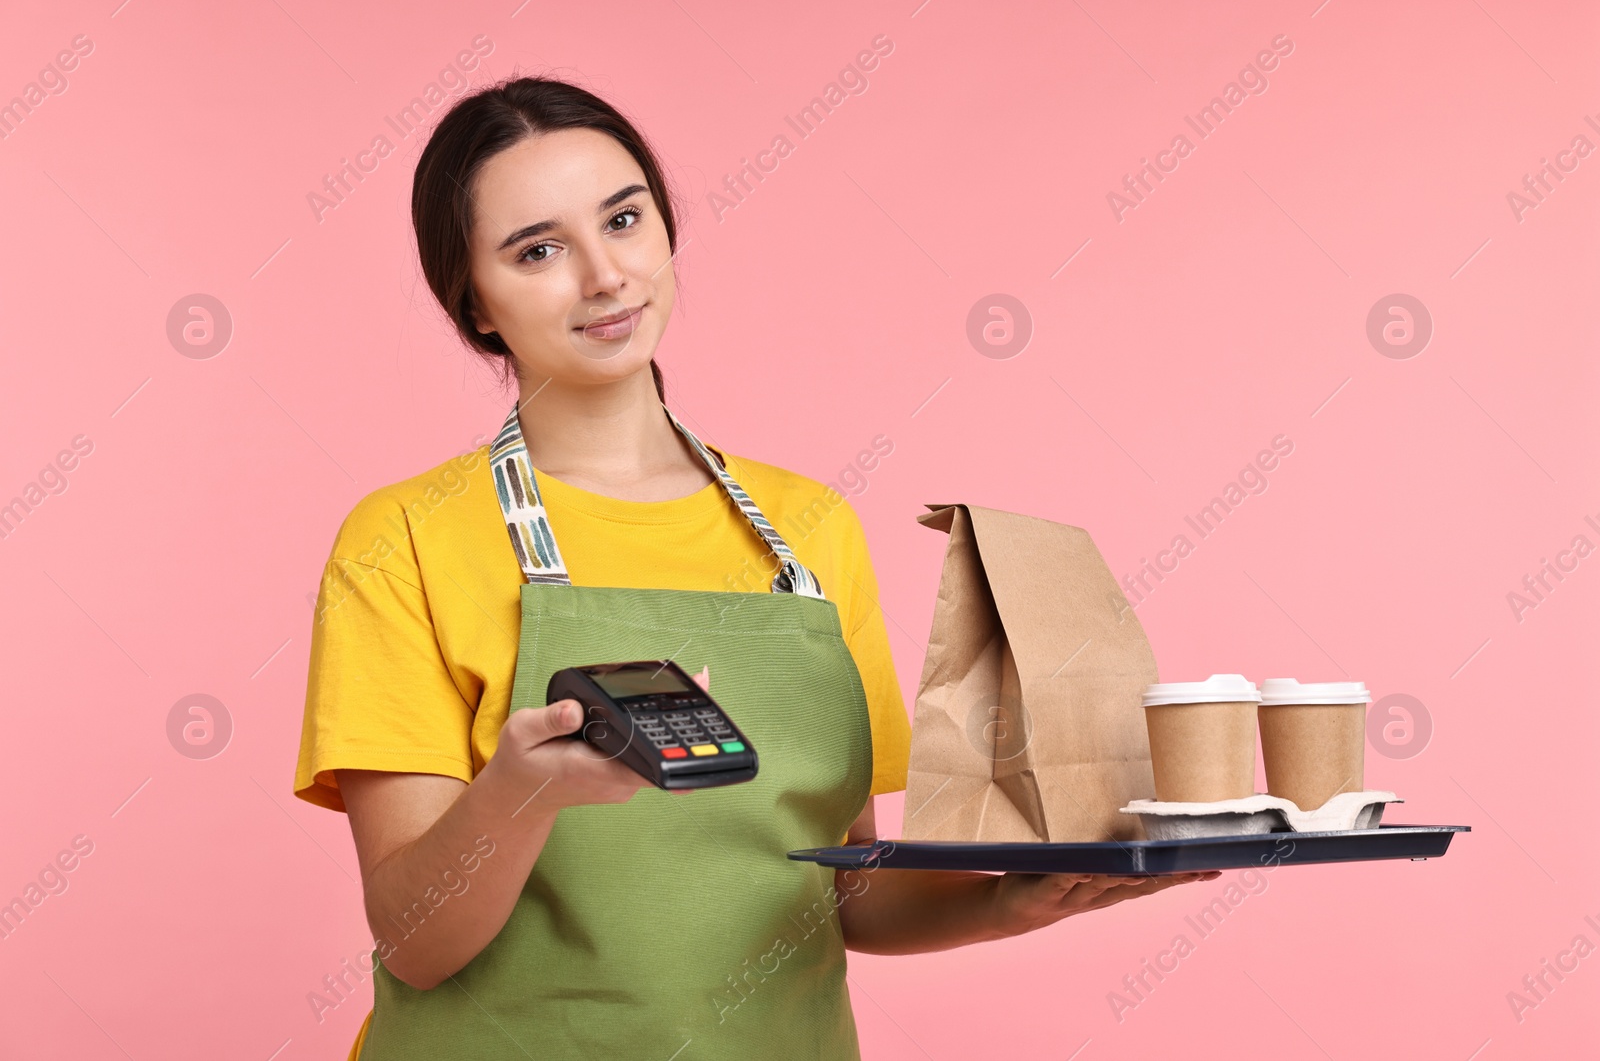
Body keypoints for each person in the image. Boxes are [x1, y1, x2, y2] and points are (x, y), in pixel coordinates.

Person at [293, 75, 1217, 1061]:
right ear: (473, 301)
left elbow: (842, 883)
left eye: (624, 218)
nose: (605, 275)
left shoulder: (807, 527)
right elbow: (415, 941)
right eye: (539, 249)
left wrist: (1016, 902)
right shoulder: (402, 539)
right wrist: (521, 790)